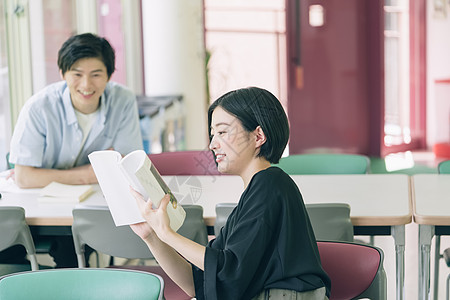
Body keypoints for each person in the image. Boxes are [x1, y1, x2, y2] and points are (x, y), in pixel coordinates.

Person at [130, 87, 331, 299]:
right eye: (212, 134)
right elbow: (197, 283)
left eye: (222, 132)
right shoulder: (252, 196)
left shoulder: (271, 184)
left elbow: (228, 271)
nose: (212, 144)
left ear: (258, 136)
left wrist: (167, 233)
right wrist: (152, 236)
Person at [4, 33, 143, 268]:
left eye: (96, 74)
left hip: (93, 208)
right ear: (62, 74)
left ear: (109, 75)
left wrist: (46, 174)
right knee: (12, 251)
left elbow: (126, 166)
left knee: (75, 247)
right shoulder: (39, 107)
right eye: (77, 74)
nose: (86, 85)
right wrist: (88, 173)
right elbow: (25, 177)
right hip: (42, 209)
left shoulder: (123, 101)